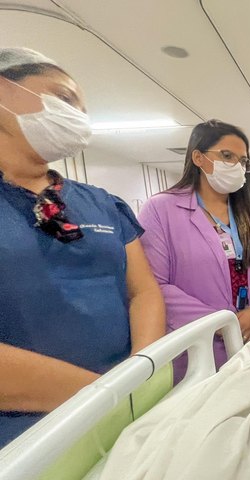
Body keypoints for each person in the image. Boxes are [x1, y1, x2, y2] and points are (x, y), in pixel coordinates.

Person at [0, 47, 165, 447]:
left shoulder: (103, 203)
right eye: (63, 98)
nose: (76, 116)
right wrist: (103, 396)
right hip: (28, 432)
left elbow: (143, 291)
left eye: (81, 108)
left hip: (133, 403)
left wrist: (140, 371)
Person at [138, 120, 250, 382]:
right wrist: (220, 323)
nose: (236, 166)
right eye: (227, 156)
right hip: (201, 342)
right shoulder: (161, 209)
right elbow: (155, 284)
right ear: (198, 157)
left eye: (243, 161)